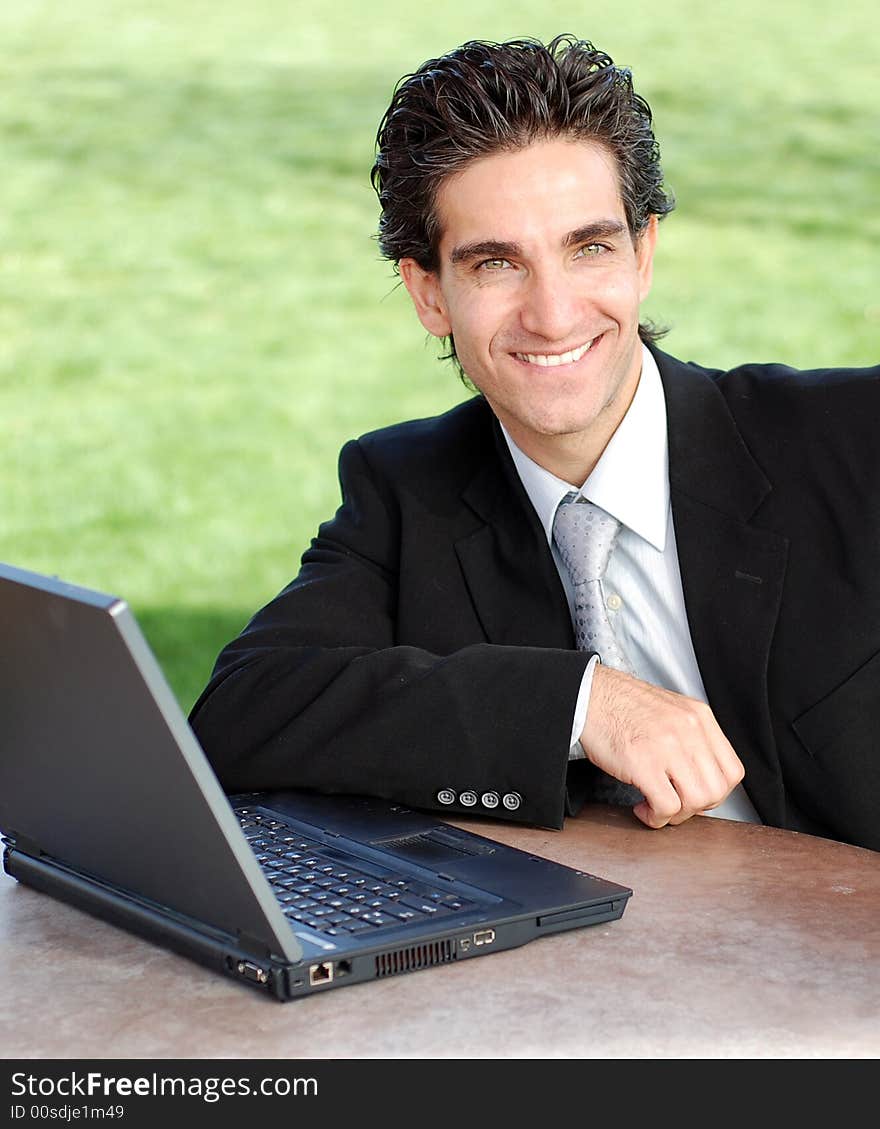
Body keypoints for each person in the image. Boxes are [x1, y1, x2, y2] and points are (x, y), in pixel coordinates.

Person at [189, 34, 880, 852]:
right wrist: (582, 705)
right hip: (577, 972)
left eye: (589, 248)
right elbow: (239, 713)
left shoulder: (853, 439)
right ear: (429, 294)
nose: (553, 315)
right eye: (496, 264)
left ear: (643, 253)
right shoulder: (408, 492)